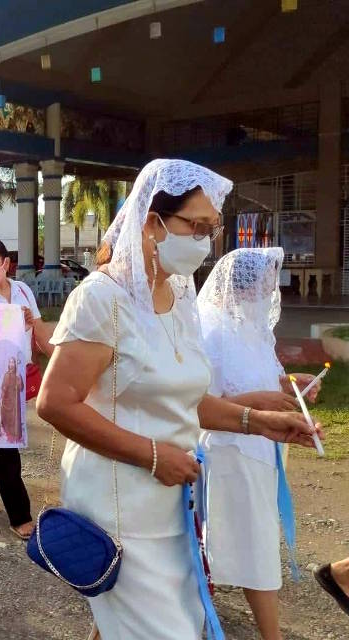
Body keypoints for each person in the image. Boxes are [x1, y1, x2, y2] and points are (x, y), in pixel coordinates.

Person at [36, 159, 322, 640]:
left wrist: (257, 421)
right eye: (197, 226)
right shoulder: (102, 298)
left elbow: (189, 401)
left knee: (171, 624)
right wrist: (151, 456)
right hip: (116, 507)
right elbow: (56, 403)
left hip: (170, 506)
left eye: (213, 229)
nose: (206, 241)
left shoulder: (180, 297)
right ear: (152, 221)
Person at [197, 247, 323, 640]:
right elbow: (198, 405)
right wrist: (263, 403)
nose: (272, 291)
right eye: (265, 284)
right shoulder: (210, 331)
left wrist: (291, 385)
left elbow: (265, 381)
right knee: (255, 550)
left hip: (261, 450)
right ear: (243, 288)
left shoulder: (253, 331)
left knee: (250, 544)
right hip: (230, 453)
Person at [0, 238, 53, 540]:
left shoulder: (22, 290)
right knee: (6, 443)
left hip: (15, 378)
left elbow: (39, 331)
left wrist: (57, 359)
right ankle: (20, 515)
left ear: (5, 264)